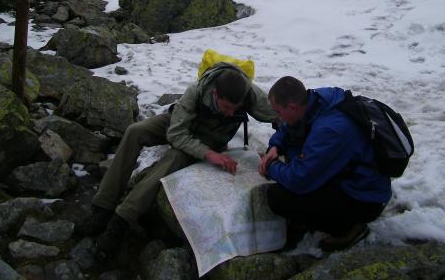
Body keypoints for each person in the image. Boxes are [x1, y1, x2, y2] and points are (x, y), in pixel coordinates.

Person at [86, 63, 277, 259]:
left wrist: (279, 146)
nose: (230, 113)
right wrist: (209, 154)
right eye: (226, 107)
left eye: (234, 109)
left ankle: (122, 219)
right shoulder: (196, 91)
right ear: (215, 94)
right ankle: (103, 204)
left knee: (175, 157)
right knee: (135, 131)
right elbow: (176, 134)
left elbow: (279, 114)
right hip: (179, 125)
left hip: (209, 139)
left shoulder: (249, 94)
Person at [259, 76, 392, 252]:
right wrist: (276, 146)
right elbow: (287, 128)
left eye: (278, 112)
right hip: (349, 176)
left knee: (279, 198)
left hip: (364, 197)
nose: (277, 117)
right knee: (295, 174)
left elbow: (299, 179)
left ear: (292, 107)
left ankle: (349, 227)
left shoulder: (331, 130)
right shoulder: (315, 100)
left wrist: (270, 167)